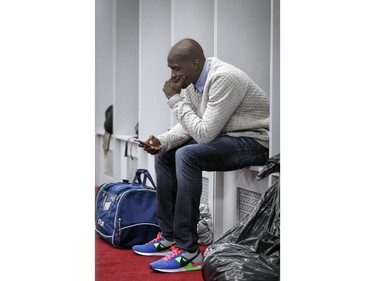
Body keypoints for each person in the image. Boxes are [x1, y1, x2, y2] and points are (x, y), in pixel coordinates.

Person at [132, 38, 270, 273]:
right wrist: (163, 141)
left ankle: (189, 251)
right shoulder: (194, 83)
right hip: (228, 138)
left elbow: (204, 134)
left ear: (195, 63)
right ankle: (169, 236)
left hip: (255, 140)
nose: (173, 75)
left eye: (176, 68)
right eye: (171, 68)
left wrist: (174, 100)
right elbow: (191, 125)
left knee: (187, 155)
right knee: (165, 155)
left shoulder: (224, 78)